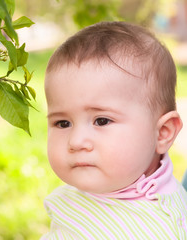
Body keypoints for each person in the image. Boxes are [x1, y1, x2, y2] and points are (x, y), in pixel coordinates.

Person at [42, 21, 187, 239]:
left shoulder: (159, 228)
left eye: (101, 121)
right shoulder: (90, 196)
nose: (76, 141)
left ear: (163, 133)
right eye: (63, 123)